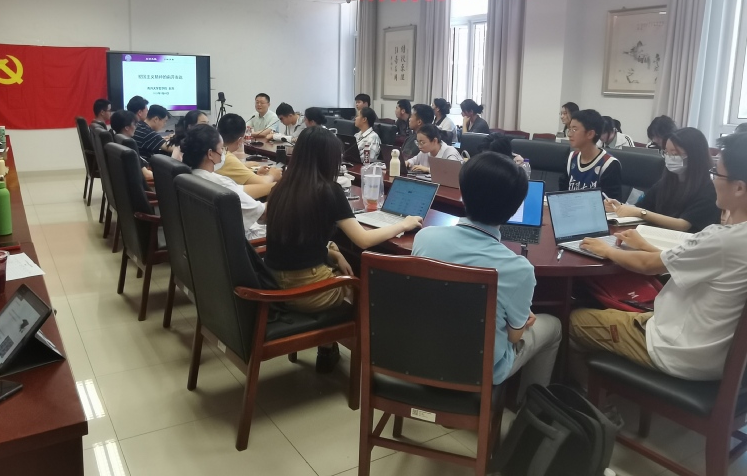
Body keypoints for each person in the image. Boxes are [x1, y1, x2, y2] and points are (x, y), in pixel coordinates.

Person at [570, 132, 747, 382]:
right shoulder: (734, 238)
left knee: (574, 320)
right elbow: (681, 262)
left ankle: (586, 399)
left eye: (717, 173)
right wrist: (645, 245)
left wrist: (607, 250)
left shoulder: (723, 239)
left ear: (739, 187)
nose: (714, 179)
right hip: (716, 352)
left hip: (678, 350)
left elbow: (648, 266)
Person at [413, 153, 561, 398]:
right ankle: (530, 408)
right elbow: (514, 336)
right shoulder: (519, 269)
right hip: (478, 371)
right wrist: (520, 320)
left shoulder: (424, 238)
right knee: (554, 326)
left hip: (421, 355)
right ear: (513, 209)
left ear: (463, 193)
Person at [265, 126, 422, 313]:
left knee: (342, 257)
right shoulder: (328, 190)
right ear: (328, 159)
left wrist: (335, 254)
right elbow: (364, 240)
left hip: (273, 284)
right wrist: (403, 224)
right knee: (368, 289)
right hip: (307, 291)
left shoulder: (280, 188)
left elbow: (295, 240)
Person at [605, 127, 720, 233]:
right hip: (656, 235)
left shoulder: (709, 189)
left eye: (674, 154)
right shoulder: (667, 181)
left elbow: (683, 225)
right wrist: (619, 207)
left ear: (695, 156)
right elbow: (642, 206)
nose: (668, 157)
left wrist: (641, 213)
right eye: (666, 152)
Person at [181, 124, 266, 240]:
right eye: (221, 148)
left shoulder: (187, 176)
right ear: (210, 154)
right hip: (244, 243)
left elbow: (238, 191)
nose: (223, 153)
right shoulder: (220, 184)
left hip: (206, 240)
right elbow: (262, 214)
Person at [559, 109, 622, 201]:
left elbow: (612, 204)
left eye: (574, 130)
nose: (569, 134)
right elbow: (561, 194)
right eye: (570, 129)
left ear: (590, 134)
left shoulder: (609, 164)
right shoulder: (571, 158)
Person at [215, 113, 278, 199]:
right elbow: (263, 183)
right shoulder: (226, 157)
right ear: (240, 140)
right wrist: (272, 175)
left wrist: (253, 172)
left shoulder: (216, 151)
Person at [109, 110, 154, 183]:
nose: (136, 127)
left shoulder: (116, 140)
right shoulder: (129, 144)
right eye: (134, 124)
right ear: (127, 127)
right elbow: (146, 175)